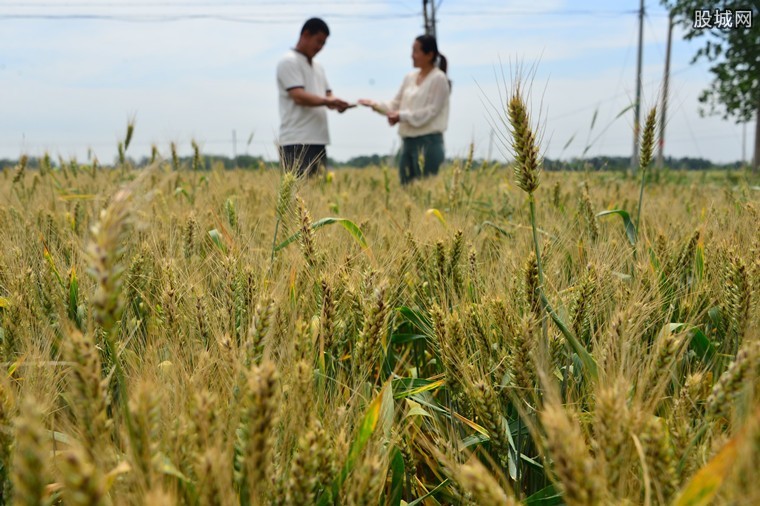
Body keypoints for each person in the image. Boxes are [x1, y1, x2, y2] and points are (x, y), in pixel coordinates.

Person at [359, 34, 450, 184]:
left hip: (429, 143)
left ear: (429, 55)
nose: (411, 56)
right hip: (407, 142)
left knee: (427, 191)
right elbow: (395, 105)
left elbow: (431, 112)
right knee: (406, 191)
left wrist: (401, 116)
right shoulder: (409, 77)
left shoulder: (439, 79)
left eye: (416, 51)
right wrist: (374, 105)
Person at [277, 17, 351, 177]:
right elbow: (298, 96)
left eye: (323, 44)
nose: (320, 47)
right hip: (296, 141)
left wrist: (339, 104)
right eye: (318, 41)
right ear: (305, 34)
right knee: (297, 197)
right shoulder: (288, 61)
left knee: (317, 195)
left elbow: (328, 95)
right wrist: (328, 101)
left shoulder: (318, 67)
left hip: (318, 139)